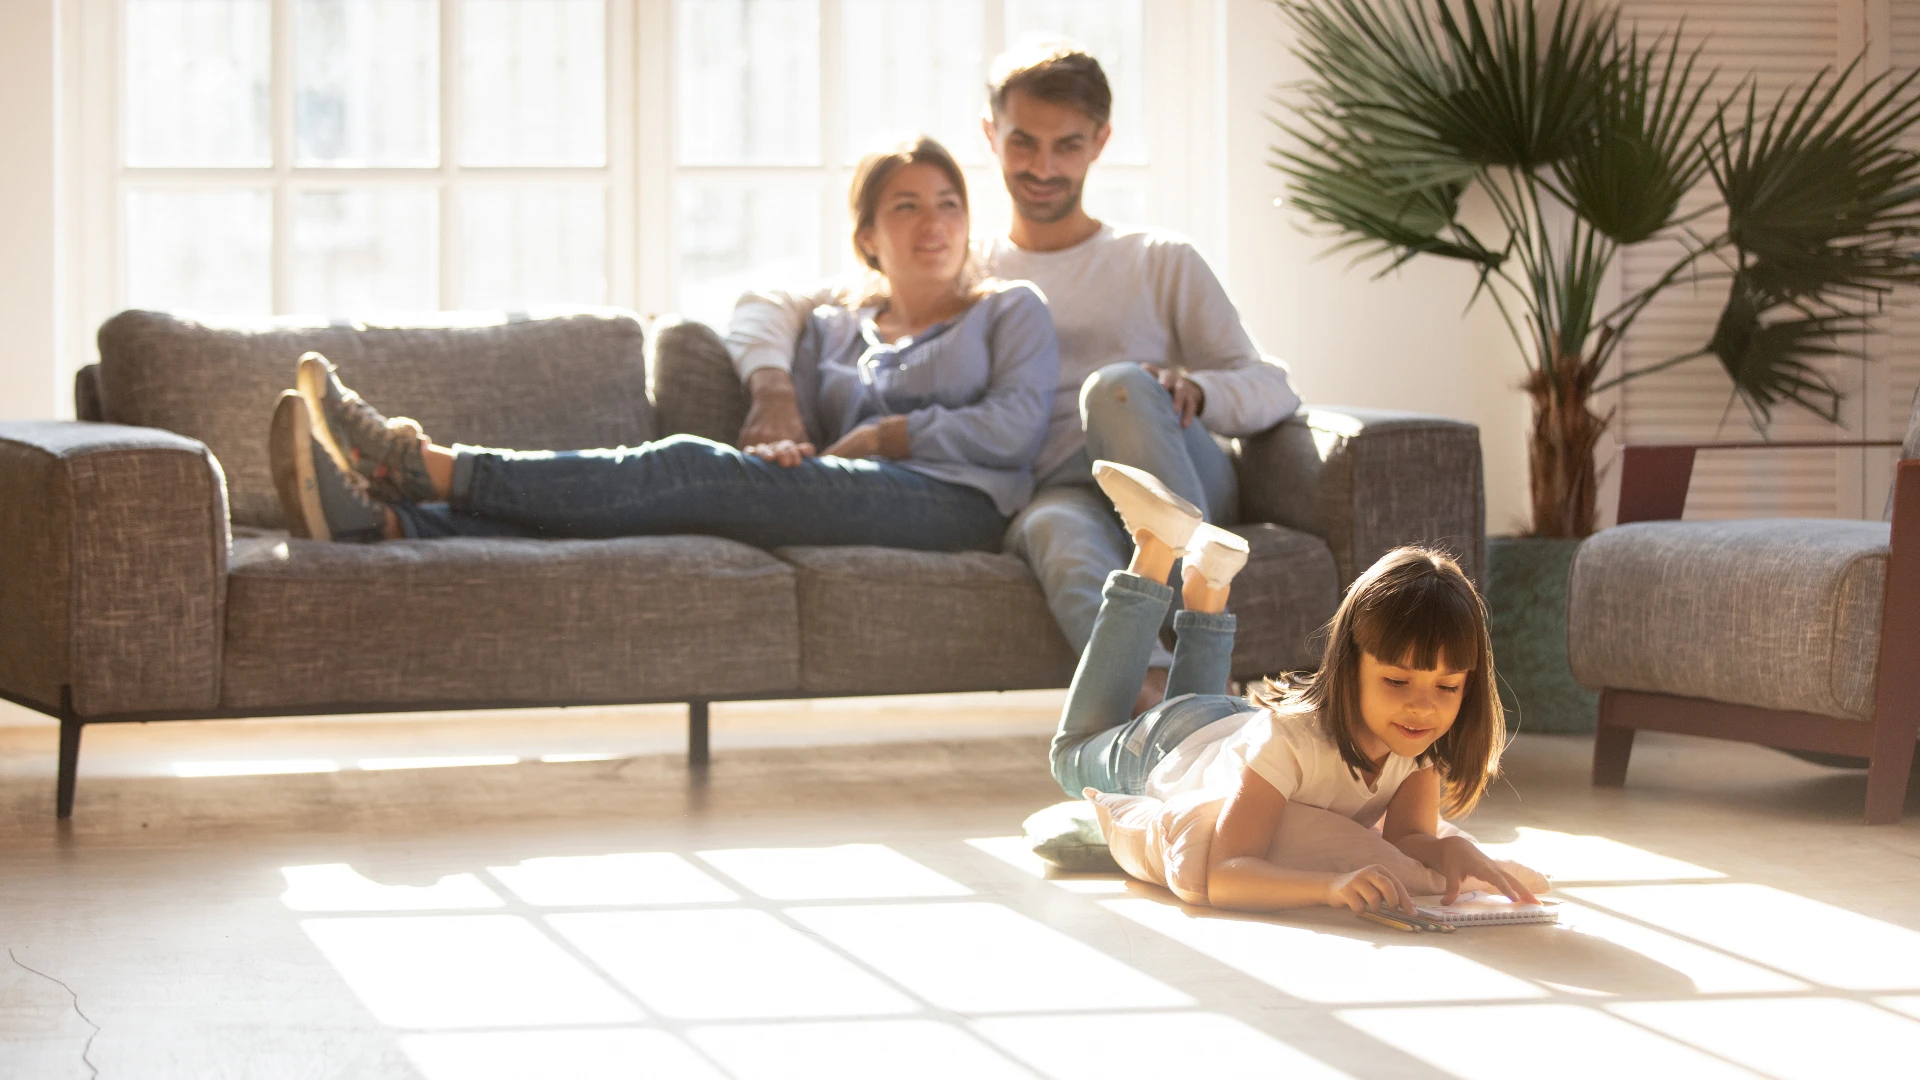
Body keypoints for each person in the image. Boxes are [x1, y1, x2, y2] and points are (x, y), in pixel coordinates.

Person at [729, 43, 1301, 713]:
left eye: (1068, 146)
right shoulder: (962, 262)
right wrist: (773, 388)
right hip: (1067, 491)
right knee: (1052, 529)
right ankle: (1168, 709)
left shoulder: (1158, 261)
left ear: (1100, 144)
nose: (1043, 167)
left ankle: (1198, 596)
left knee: (1115, 387)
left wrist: (1197, 389)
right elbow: (773, 301)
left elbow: (1272, 386)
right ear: (990, 136)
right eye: (1023, 143)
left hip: (1174, 470)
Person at [267, 137, 1058, 552]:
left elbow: (1015, 429)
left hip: (957, 504)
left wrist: (890, 434)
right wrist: (786, 431)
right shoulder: (829, 328)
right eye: (909, 206)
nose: (935, 224)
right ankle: (392, 526)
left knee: (688, 465)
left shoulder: (1009, 310)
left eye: (950, 204)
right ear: (866, 237)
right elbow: (772, 341)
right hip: (849, 490)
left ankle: (423, 469)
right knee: (666, 503)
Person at [1054, 461, 1539, 914]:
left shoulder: (1415, 740)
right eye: (1396, 680)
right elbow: (1224, 875)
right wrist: (1328, 887)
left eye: (1448, 687)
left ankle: (1209, 583)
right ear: (1349, 667)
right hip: (1165, 746)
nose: (1423, 705)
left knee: (1196, 714)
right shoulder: (1292, 743)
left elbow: (1406, 838)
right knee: (1069, 755)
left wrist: (1443, 847)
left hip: (1224, 725)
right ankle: (1155, 549)